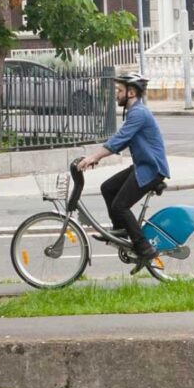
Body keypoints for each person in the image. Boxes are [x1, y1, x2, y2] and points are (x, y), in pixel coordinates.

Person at [79, 73, 171, 272]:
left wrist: (94, 157)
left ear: (131, 92)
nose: (116, 95)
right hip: (143, 166)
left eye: (119, 91)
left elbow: (120, 139)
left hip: (152, 169)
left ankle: (144, 248)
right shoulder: (133, 113)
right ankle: (121, 232)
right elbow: (122, 140)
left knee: (120, 205)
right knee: (108, 188)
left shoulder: (138, 113)